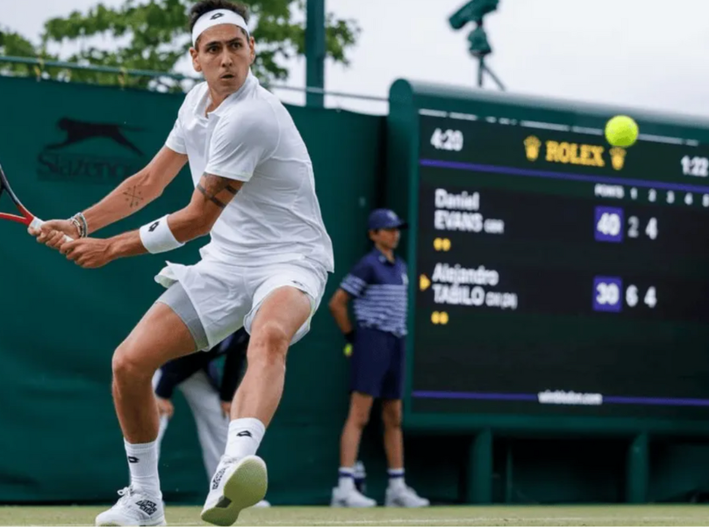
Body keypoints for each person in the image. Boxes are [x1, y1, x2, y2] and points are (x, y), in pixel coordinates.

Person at [30, 0, 334, 524]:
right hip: (225, 265)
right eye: (212, 49)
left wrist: (110, 248)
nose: (225, 60)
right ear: (195, 59)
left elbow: (196, 219)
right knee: (129, 363)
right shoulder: (195, 104)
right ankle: (145, 500)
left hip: (292, 258)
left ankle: (233, 464)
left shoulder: (252, 117)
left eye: (235, 46)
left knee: (269, 335)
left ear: (251, 50)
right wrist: (80, 225)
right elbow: (147, 184)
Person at [327, 209, 429, 508]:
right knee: (359, 415)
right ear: (374, 234)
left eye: (397, 228)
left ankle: (396, 487)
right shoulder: (367, 265)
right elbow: (337, 303)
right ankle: (344, 488)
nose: (394, 233)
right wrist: (353, 338)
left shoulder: (401, 267)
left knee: (394, 416)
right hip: (371, 340)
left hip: (396, 341)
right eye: (388, 229)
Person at [153, 329, 270, 509]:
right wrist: (162, 393)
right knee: (152, 425)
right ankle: (146, 496)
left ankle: (228, 494)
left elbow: (235, 358)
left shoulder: (246, 326)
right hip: (163, 364)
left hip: (196, 370)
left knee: (221, 420)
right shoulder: (221, 311)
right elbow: (176, 351)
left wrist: (226, 398)